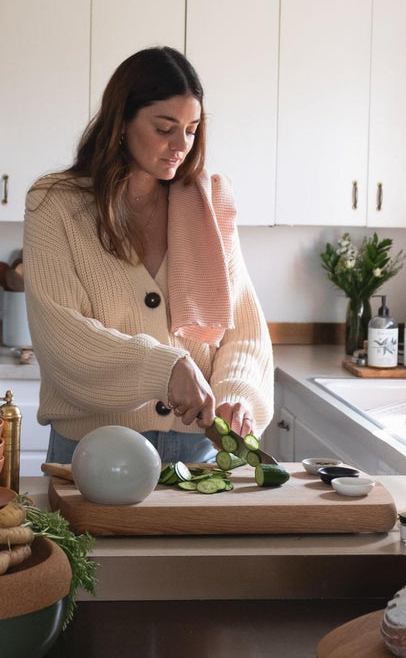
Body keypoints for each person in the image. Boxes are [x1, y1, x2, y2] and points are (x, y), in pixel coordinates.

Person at [23, 46, 273, 466]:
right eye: (165, 128)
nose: (181, 145)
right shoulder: (56, 204)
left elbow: (244, 330)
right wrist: (165, 368)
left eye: (192, 129)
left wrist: (236, 395)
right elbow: (62, 340)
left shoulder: (208, 204)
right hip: (97, 450)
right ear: (121, 122)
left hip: (198, 449)